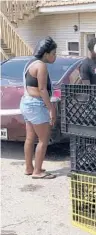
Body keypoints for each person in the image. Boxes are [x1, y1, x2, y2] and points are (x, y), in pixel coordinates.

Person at [20, 36, 58, 179]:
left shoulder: (30, 64)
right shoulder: (41, 66)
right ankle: (37, 172)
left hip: (26, 103)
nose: (55, 56)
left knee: (30, 138)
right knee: (43, 139)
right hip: (36, 105)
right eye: (53, 53)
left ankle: (29, 168)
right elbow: (42, 89)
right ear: (45, 54)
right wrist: (51, 109)